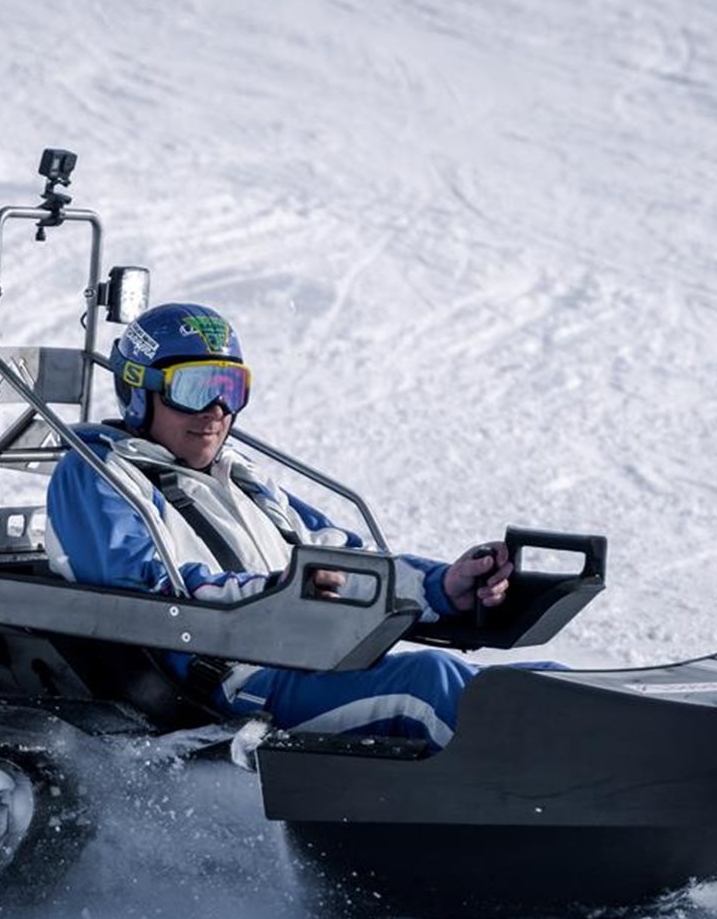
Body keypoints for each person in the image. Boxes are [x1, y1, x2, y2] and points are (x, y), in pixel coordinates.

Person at [44, 303, 513, 747]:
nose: (216, 412)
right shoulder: (96, 473)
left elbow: (338, 559)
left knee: (524, 685)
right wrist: (280, 591)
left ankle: (572, 752)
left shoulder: (241, 478)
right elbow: (146, 591)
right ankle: (541, 795)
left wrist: (442, 587)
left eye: (229, 390)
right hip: (230, 680)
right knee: (426, 684)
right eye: (194, 390)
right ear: (139, 393)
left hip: (300, 658)